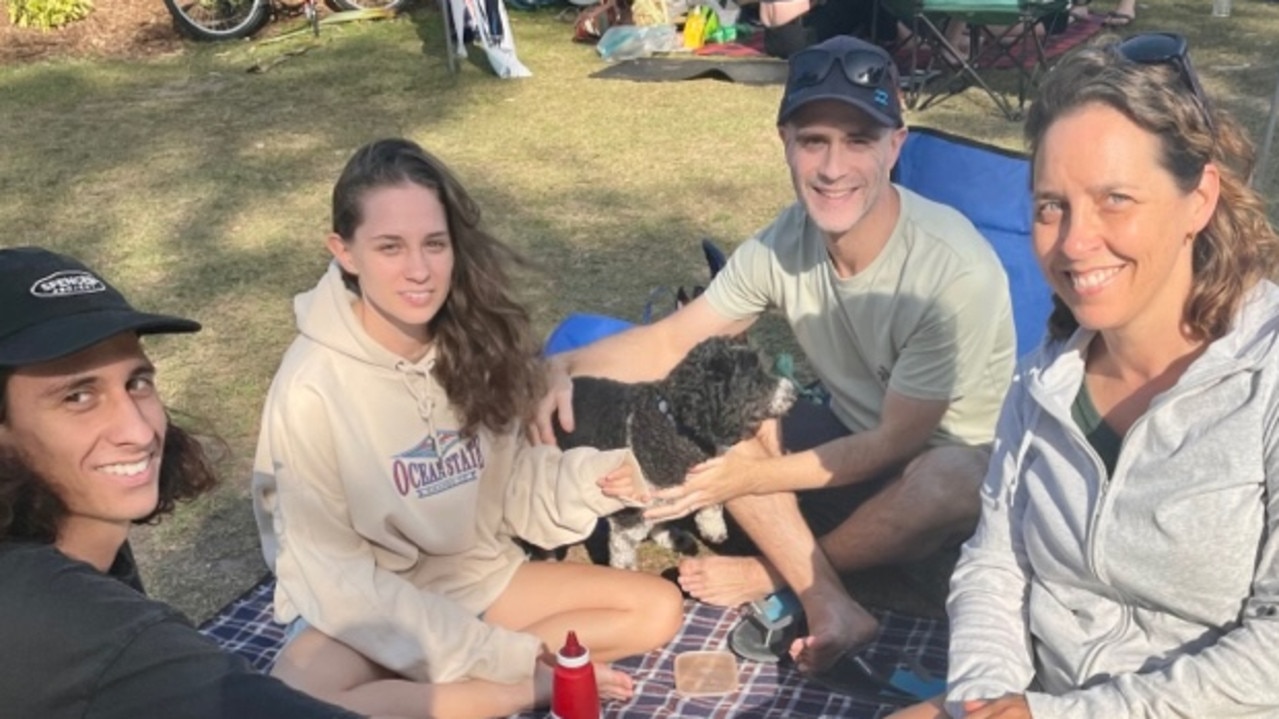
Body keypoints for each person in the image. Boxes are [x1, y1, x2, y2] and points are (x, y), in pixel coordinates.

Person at [534, 35, 1016, 674]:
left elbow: (898, 444)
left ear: (895, 147)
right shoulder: (785, 240)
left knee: (953, 478)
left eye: (859, 142)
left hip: (949, 479)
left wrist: (748, 480)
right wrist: (553, 370)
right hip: (848, 443)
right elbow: (673, 339)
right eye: (814, 140)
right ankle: (834, 604)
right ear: (785, 142)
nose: (833, 168)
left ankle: (776, 574)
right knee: (729, 412)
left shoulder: (951, 273)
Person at [891, 32, 1279, 718]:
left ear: (1199, 199)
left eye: (1114, 200)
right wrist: (986, 695)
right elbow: (994, 560)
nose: (1073, 241)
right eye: (1050, 206)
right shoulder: (1046, 379)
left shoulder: (1264, 375)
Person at [251, 138, 684, 719]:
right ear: (344, 252)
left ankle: (475, 692)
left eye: (435, 244)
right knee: (294, 692)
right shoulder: (310, 386)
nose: (419, 271)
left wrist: (602, 477)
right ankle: (527, 689)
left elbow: (509, 489)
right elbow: (333, 574)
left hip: (475, 581)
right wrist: (503, 660)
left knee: (657, 609)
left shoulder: (474, 343)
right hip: (373, 606)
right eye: (389, 247)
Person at [0, 246, 359, 719]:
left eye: (137, 382)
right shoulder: (73, 628)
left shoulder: (76, 533)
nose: (140, 430)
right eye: (78, 396)